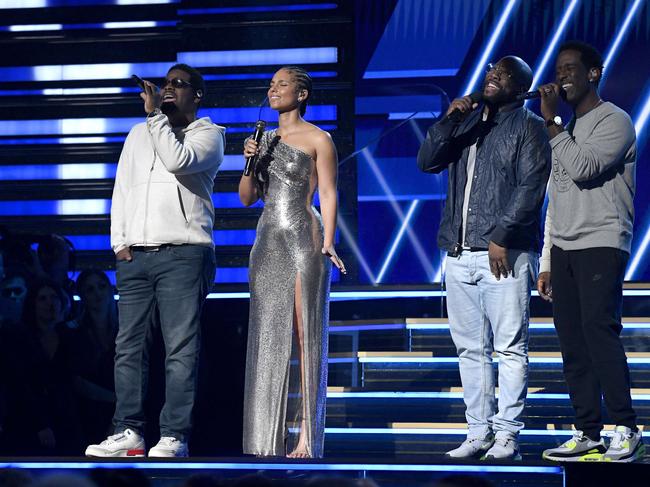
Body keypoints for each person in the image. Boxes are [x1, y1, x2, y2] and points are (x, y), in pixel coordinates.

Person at [85, 63, 224, 458]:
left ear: (196, 94)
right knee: (127, 347)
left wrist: (154, 118)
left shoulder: (209, 135)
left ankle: (174, 435)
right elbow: (123, 189)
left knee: (179, 348)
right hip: (136, 257)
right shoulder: (137, 134)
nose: (168, 90)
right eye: (166, 84)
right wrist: (119, 244)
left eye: (178, 84)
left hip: (184, 252)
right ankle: (128, 431)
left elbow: (178, 159)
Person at [417, 56, 551, 460]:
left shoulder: (530, 127)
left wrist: (501, 236)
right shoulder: (468, 122)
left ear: (521, 86)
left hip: (504, 253)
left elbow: (530, 188)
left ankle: (507, 434)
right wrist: (449, 118)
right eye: (491, 70)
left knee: (509, 348)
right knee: (469, 349)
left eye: (504, 73)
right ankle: (478, 432)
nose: (493, 75)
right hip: (458, 253)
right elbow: (427, 161)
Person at [537, 41, 643, 463]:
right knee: (573, 344)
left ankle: (626, 428)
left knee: (599, 334)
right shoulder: (566, 131)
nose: (562, 76)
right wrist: (547, 259)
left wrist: (551, 124)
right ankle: (587, 431)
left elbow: (582, 169)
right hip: (563, 246)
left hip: (602, 241)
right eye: (559, 69)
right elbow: (556, 197)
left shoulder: (614, 121)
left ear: (593, 74)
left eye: (570, 69)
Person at [239, 66, 345, 458]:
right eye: (271, 84)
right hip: (268, 241)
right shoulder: (261, 139)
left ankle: (305, 436)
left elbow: (329, 193)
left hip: (303, 236)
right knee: (267, 337)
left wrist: (329, 241)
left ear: (301, 94)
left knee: (304, 334)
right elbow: (247, 197)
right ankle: (265, 437)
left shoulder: (319, 138)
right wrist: (249, 160)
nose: (273, 89)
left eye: (282, 84)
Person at [70, 270, 119, 445]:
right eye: (90, 289)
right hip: (86, 415)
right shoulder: (74, 333)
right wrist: (118, 400)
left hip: (125, 415)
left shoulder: (127, 329)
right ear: (82, 296)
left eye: (102, 286)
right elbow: (76, 381)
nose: (97, 293)